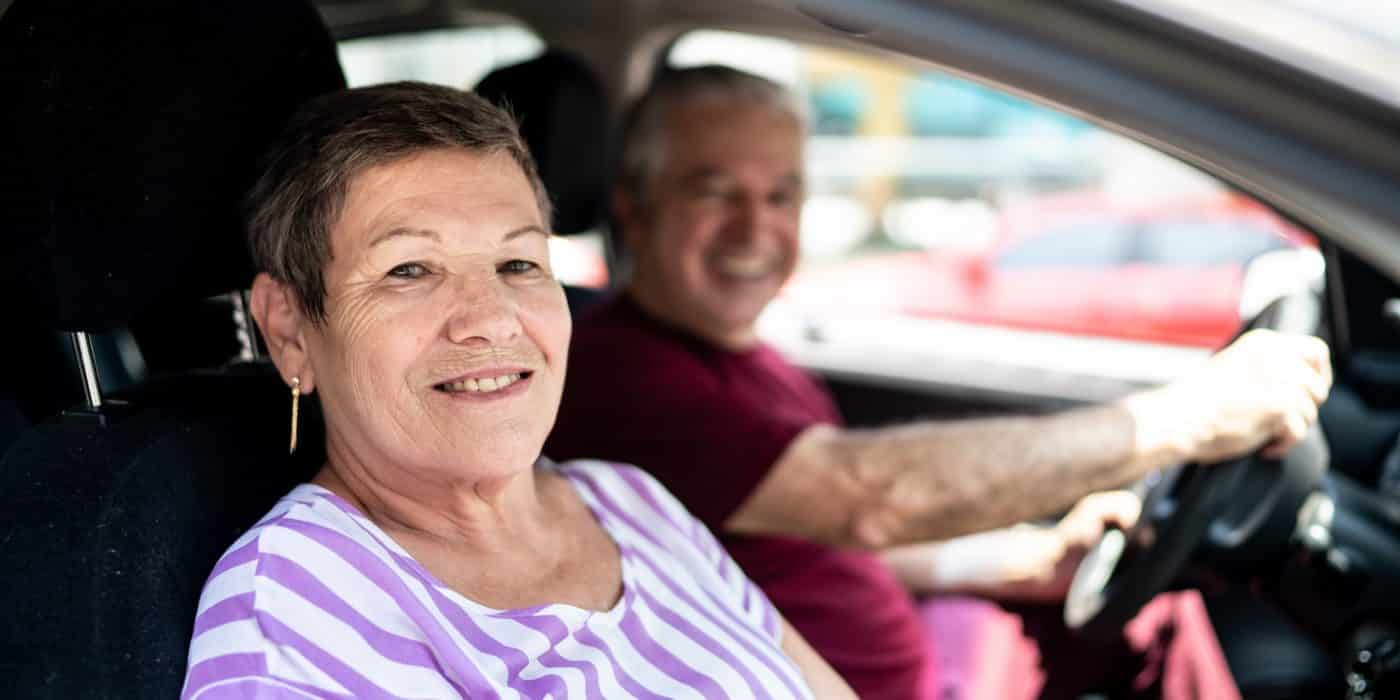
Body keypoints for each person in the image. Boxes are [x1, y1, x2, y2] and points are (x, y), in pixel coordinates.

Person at [545, 66, 1333, 699]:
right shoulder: (620, 375)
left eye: (780, 195)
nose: (756, 229)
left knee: (1157, 617)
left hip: (939, 651)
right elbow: (867, 500)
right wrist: (1188, 415)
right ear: (636, 211)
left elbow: (827, 540)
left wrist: (1022, 561)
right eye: (714, 193)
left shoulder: (751, 360)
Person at [181, 81, 854, 699]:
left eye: (518, 262)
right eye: (410, 269)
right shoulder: (290, 611)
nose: (493, 317)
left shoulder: (630, 500)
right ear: (291, 330)